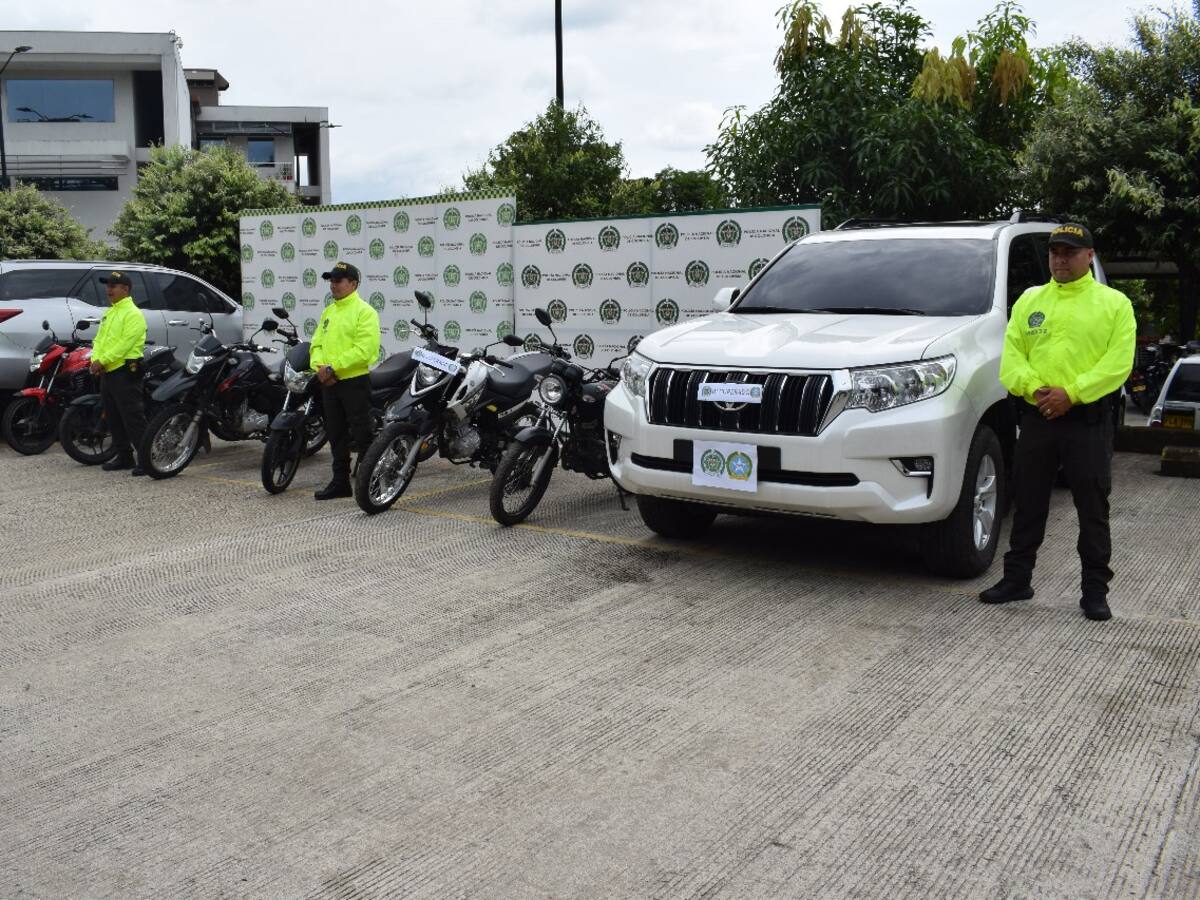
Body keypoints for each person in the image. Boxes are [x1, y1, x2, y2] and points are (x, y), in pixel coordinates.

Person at [980, 223, 1136, 621]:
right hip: (1039, 418)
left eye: (1070, 252)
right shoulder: (1030, 300)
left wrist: (1074, 393)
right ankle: (1017, 580)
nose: (1060, 259)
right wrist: (1036, 391)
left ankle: (1094, 592)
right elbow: (1012, 359)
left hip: (1088, 422)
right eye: (1055, 252)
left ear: (1089, 256)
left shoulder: (1114, 304)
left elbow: (1118, 364)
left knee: (1092, 507)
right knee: (1028, 500)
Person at [309, 261, 380, 499]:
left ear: (353, 283)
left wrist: (332, 367)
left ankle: (374, 482)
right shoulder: (328, 312)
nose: (333, 285)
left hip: (354, 382)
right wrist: (319, 367)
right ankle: (340, 482)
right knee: (336, 434)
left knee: (363, 436)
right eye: (331, 280)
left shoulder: (365, 312)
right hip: (329, 382)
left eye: (338, 281)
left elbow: (365, 350)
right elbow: (316, 344)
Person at [89, 271, 148, 476]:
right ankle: (125, 456)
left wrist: (102, 361)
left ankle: (146, 459)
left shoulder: (133, 314)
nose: (109, 290)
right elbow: (99, 340)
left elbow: (125, 345)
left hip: (125, 372)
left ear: (125, 289)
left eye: (113, 286)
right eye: (108, 286)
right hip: (108, 372)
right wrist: (95, 359)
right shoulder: (111, 312)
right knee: (113, 417)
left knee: (133, 418)